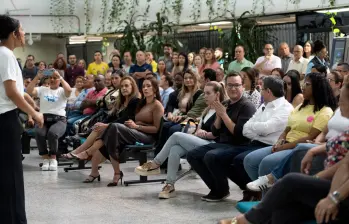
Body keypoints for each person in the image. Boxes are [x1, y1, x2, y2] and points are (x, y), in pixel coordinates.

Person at [220, 84, 349, 224]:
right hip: (335, 188)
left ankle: (247, 220)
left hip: (343, 195)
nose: (338, 103)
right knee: (284, 212)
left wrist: (333, 198)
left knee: (291, 180)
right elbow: (344, 165)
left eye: (341, 101)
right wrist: (315, 178)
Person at [135, 81, 226, 199]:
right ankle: (170, 185)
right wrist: (197, 130)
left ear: (217, 95)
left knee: (176, 135)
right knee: (175, 149)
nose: (205, 96)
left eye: (208, 93)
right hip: (202, 140)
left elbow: (217, 134)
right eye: (204, 93)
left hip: (213, 144)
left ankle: (156, 163)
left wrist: (205, 134)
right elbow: (199, 128)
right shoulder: (207, 109)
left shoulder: (222, 109)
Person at [244, 73, 337, 182]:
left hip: (297, 148)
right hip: (285, 143)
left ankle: (269, 196)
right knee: (250, 160)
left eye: (307, 84)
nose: (303, 87)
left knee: (266, 163)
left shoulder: (325, 111)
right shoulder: (300, 107)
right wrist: (280, 142)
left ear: (317, 88)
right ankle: (266, 192)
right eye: (303, 83)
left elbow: (310, 137)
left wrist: (284, 147)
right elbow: (287, 129)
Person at [186, 72, 257, 202]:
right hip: (224, 143)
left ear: (243, 87)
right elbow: (215, 131)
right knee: (192, 155)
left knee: (212, 156)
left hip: (241, 144)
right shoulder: (226, 103)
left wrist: (224, 115)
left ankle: (229, 189)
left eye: (236, 85)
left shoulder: (247, 106)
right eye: (229, 85)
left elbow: (239, 134)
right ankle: (218, 189)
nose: (233, 88)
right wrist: (219, 116)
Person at [0, 15, 44, 224]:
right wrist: (34, 113)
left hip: (5, 119)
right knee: (11, 176)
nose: (24, 33)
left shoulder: (5, 55)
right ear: (13, 34)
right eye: (22, 29)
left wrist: (29, 100)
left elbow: (17, 91)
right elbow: (11, 93)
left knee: (7, 174)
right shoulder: (6, 55)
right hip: (5, 121)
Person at [83, 78, 164, 185]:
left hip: (148, 136)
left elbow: (156, 129)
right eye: (143, 86)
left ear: (155, 89)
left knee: (113, 127)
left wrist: (136, 126)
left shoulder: (157, 105)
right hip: (135, 132)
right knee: (110, 135)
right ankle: (116, 173)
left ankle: (88, 152)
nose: (145, 88)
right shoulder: (142, 103)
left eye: (148, 86)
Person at [62, 76, 140, 160]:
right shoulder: (121, 101)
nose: (124, 88)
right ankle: (83, 153)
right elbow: (111, 116)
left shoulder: (135, 100)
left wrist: (106, 125)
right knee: (98, 126)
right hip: (117, 128)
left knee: (106, 131)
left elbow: (125, 119)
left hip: (129, 130)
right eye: (122, 86)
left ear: (132, 87)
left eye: (126, 86)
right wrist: (103, 124)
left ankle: (84, 152)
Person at [26, 69, 72, 171]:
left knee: (53, 133)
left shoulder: (61, 91)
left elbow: (69, 91)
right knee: (38, 132)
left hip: (59, 119)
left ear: (59, 80)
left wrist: (60, 77)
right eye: (50, 77)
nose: (52, 79)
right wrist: (37, 77)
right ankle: (45, 158)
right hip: (44, 118)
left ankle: (53, 158)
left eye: (54, 78)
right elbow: (29, 91)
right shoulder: (43, 89)